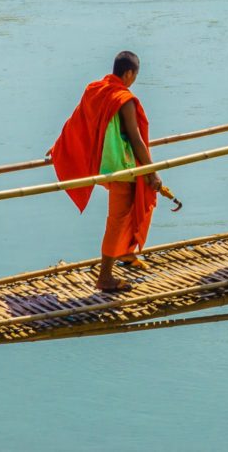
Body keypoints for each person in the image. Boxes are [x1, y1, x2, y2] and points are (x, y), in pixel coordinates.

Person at [50, 50, 160, 293]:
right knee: (118, 217)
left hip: (102, 162)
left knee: (131, 205)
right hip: (120, 167)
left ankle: (125, 253)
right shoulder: (123, 99)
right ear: (129, 74)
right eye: (134, 77)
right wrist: (152, 172)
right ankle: (105, 277)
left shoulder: (96, 89)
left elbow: (77, 120)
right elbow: (136, 139)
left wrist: (61, 146)